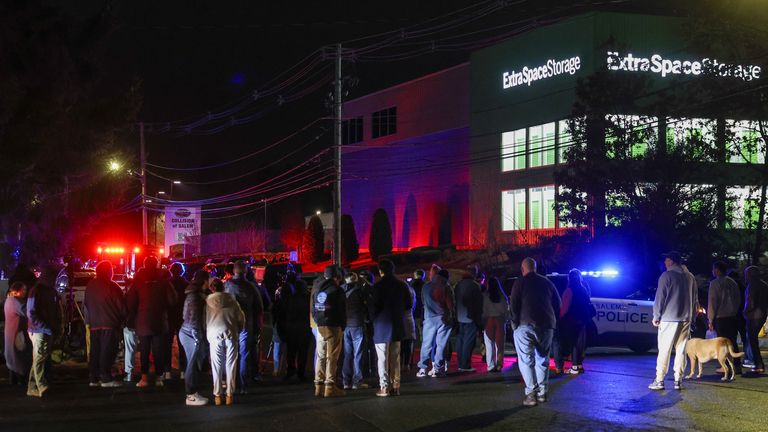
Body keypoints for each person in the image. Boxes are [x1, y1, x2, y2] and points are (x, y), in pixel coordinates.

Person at [510, 258, 561, 407]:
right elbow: (558, 304)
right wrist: (551, 319)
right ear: (535, 268)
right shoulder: (547, 282)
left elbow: (514, 305)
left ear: (522, 268)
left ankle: (531, 394)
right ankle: (542, 393)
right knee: (542, 359)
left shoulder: (520, 282)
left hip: (525, 325)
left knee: (526, 359)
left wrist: (514, 324)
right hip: (546, 326)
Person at [126, 256, 178, 388]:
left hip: (143, 320)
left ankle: (144, 378)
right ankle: (159, 377)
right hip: (159, 319)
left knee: (144, 349)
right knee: (158, 349)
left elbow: (130, 301)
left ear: (144, 264)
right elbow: (173, 300)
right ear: (156, 265)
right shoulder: (164, 280)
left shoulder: (138, 282)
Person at [649, 252, 697, 391]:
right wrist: (692, 317)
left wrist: (656, 316)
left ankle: (660, 380)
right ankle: (678, 380)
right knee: (681, 351)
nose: (665, 262)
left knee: (664, 350)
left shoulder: (667, 276)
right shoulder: (690, 277)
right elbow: (695, 300)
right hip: (686, 319)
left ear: (672, 261)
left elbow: (660, 298)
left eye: (667, 259)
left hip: (669, 318)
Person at [370, 259, 412, 397]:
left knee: (382, 358)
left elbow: (374, 307)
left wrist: (372, 319)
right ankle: (396, 386)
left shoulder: (377, 286)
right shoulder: (402, 285)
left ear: (380, 271)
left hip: (381, 325)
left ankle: (384, 386)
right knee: (395, 357)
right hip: (397, 324)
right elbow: (408, 304)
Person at [84, 261, 127, 387]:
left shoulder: (90, 286)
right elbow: (122, 307)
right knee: (107, 351)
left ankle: (93, 378)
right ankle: (106, 378)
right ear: (109, 272)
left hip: (94, 324)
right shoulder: (113, 286)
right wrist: (123, 319)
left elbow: (85, 305)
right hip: (110, 323)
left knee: (95, 351)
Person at [224, 260, 263, 393]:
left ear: (234, 270)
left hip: (230, 323)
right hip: (246, 323)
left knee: (230, 354)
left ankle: (230, 384)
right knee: (244, 354)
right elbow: (259, 307)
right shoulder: (251, 286)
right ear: (246, 271)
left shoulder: (227, 285)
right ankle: (243, 385)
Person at [206, 278, 244, 406]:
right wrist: (239, 329)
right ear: (223, 287)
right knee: (231, 364)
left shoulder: (208, 302)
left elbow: (203, 320)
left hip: (214, 334)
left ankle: (217, 394)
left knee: (216, 365)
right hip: (231, 333)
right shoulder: (232, 301)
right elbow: (241, 317)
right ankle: (229, 394)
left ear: (212, 288)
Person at [311, 265, 347, 398]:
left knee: (320, 355)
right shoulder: (337, 290)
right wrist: (343, 325)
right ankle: (330, 386)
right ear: (336, 276)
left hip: (320, 325)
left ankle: (318, 386)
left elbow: (314, 308)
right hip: (334, 325)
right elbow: (342, 311)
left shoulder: (317, 288)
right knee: (332, 356)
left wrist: (318, 321)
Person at [26, 267, 62, 398]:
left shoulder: (50, 290)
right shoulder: (36, 291)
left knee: (39, 358)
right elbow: (31, 313)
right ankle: (41, 386)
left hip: (45, 329)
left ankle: (32, 386)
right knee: (40, 357)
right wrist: (46, 327)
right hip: (38, 330)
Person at [416, 264, 454, 378]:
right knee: (441, 345)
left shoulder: (426, 287)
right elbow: (450, 304)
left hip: (429, 319)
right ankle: (437, 368)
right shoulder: (445, 286)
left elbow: (423, 302)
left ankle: (422, 368)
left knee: (426, 344)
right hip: (444, 318)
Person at [179, 270, 210, 406]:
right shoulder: (196, 297)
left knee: (192, 364)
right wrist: (197, 336)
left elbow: (185, 315)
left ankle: (193, 393)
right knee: (191, 365)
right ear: (204, 281)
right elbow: (194, 319)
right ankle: (190, 395)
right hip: (191, 333)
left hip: (187, 331)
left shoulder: (193, 294)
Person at [273, 270, 311, 381]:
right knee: (303, 352)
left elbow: (282, 313)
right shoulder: (307, 300)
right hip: (304, 327)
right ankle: (301, 372)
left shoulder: (290, 299)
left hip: (291, 328)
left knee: (291, 351)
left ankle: (290, 371)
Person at [707, 261, 743, 376]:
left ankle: (725, 366)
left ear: (717, 270)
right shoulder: (732, 282)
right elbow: (738, 299)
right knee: (732, 342)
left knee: (722, 343)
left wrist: (710, 319)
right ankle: (737, 366)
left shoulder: (715, 283)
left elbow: (713, 302)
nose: (713, 271)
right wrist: (734, 311)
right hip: (732, 316)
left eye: (714, 269)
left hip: (720, 317)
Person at [555, 269, 593, 375]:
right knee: (580, 343)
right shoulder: (583, 289)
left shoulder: (569, 290)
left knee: (574, 343)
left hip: (572, 320)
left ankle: (575, 367)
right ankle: (579, 366)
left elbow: (564, 308)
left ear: (569, 278)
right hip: (583, 319)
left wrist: (559, 318)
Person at [341, 272, 370, 390]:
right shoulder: (359, 291)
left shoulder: (341, 291)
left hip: (346, 326)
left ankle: (346, 381)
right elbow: (367, 304)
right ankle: (357, 381)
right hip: (357, 324)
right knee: (358, 353)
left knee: (347, 354)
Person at [454, 266, 483, 372]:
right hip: (470, 317)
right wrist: (478, 319)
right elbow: (478, 304)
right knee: (468, 342)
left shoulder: (458, 285)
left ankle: (460, 363)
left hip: (459, 316)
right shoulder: (475, 286)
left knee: (460, 340)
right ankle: (465, 365)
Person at [4, 282, 31, 385]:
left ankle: (14, 380)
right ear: (17, 291)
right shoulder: (14, 302)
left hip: (12, 333)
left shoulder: (9, 300)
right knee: (18, 357)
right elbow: (26, 311)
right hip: (16, 334)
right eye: (23, 290)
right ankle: (20, 381)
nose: (25, 292)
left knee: (12, 357)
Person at [743, 266, 768, 373]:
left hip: (753, 316)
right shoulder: (764, 285)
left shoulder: (752, 285)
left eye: (746, 274)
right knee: (753, 340)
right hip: (762, 314)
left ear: (750, 274)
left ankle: (758, 364)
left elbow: (750, 301)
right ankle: (757, 363)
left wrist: (745, 311)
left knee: (752, 340)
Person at [482, 277, 509, 372]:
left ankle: (490, 365)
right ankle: (499, 364)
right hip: (499, 320)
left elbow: (483, 310)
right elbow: (506, 310)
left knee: (489, 344)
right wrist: (506, 319)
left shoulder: (485, 296)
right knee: (500, 345)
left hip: (489, 320)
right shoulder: (502, 296)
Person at [167, 262, 189, 379]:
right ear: (182, 271)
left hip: (169, 316)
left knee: (167, 343)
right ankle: (183, 370)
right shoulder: (185, 284)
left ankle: (167, 371)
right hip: (181, 316)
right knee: (182, 344)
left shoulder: (167, 283)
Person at [401, 279, 418, 372]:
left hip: (400, 319)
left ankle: (400, 363)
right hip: (409, 318)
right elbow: (413, 306)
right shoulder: (411, 291)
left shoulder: (399, 293)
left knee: (400, 343)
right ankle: (406, 364)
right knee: (408, 343)